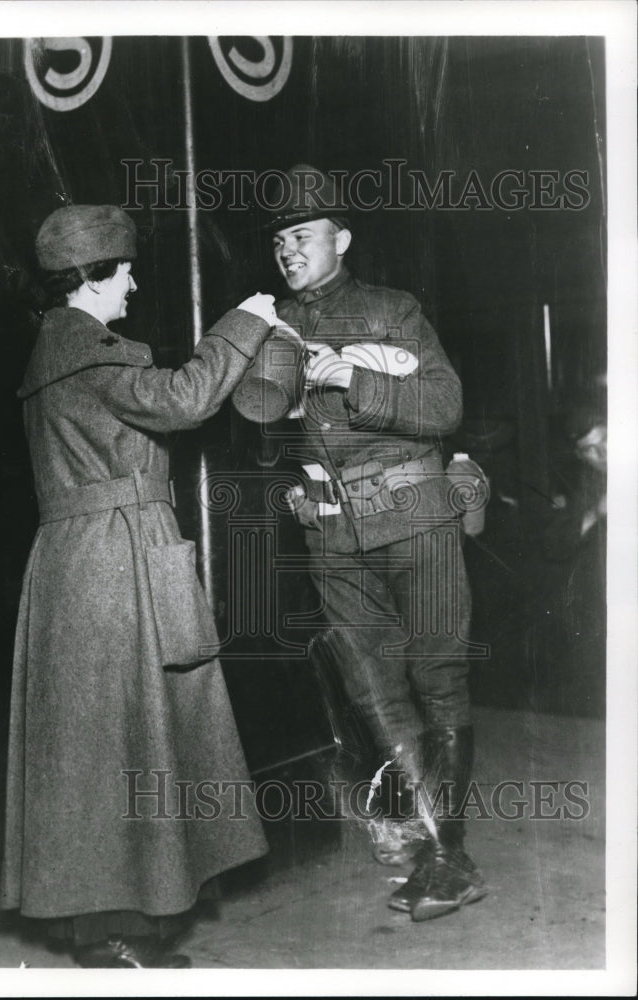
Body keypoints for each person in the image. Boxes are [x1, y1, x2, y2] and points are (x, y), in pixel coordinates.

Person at [0, 204, 274, 967]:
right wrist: (241, 324)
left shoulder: (54, 347)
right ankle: (114, 931)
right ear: (92, 278)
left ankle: (109, 918)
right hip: (112, 561)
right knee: (123, 738)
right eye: (123, 269)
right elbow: (184, 399)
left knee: (92, 743)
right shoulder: (90, 351)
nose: (133, 282)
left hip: (75, 558)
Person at [259, 165, 486, 922]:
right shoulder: (272, 323)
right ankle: (432, 849)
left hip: (416, 515)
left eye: (303, 234)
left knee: (438, 676)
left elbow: (446, 402)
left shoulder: (391, 309)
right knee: (371, 688)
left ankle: (449, 858)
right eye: (280, 239)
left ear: (340, 239)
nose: (289, 250)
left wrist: (357, 380)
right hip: (332, 534)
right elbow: (264, 423)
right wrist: (291, 480)